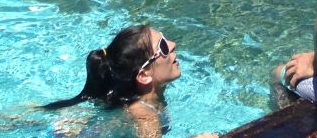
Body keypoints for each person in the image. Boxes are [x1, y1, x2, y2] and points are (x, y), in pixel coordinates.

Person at [43, 23, 216, 138]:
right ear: (143, 76)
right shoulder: (146, 116)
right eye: (163, 46)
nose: (172, 44)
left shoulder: (136, 101)